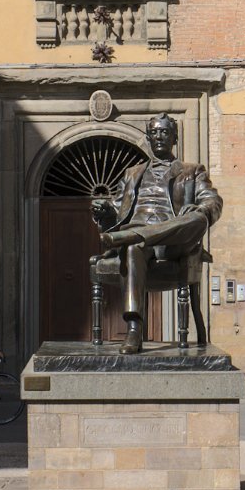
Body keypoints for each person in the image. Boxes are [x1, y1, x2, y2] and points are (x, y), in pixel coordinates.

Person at [91, 114, 222, 354]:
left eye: (164, 132)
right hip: (137, 240)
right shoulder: (131, 174)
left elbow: (213, 202)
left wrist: (200, 209)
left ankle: (135, 236)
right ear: (148, 138)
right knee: (133, 247)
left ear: (174, 138)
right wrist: (105, 212)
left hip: (174, 243)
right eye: (154, 132)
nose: (159, 136)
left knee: (198, 219)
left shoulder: (192, 171)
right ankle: (134, 329)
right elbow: (117, 214)